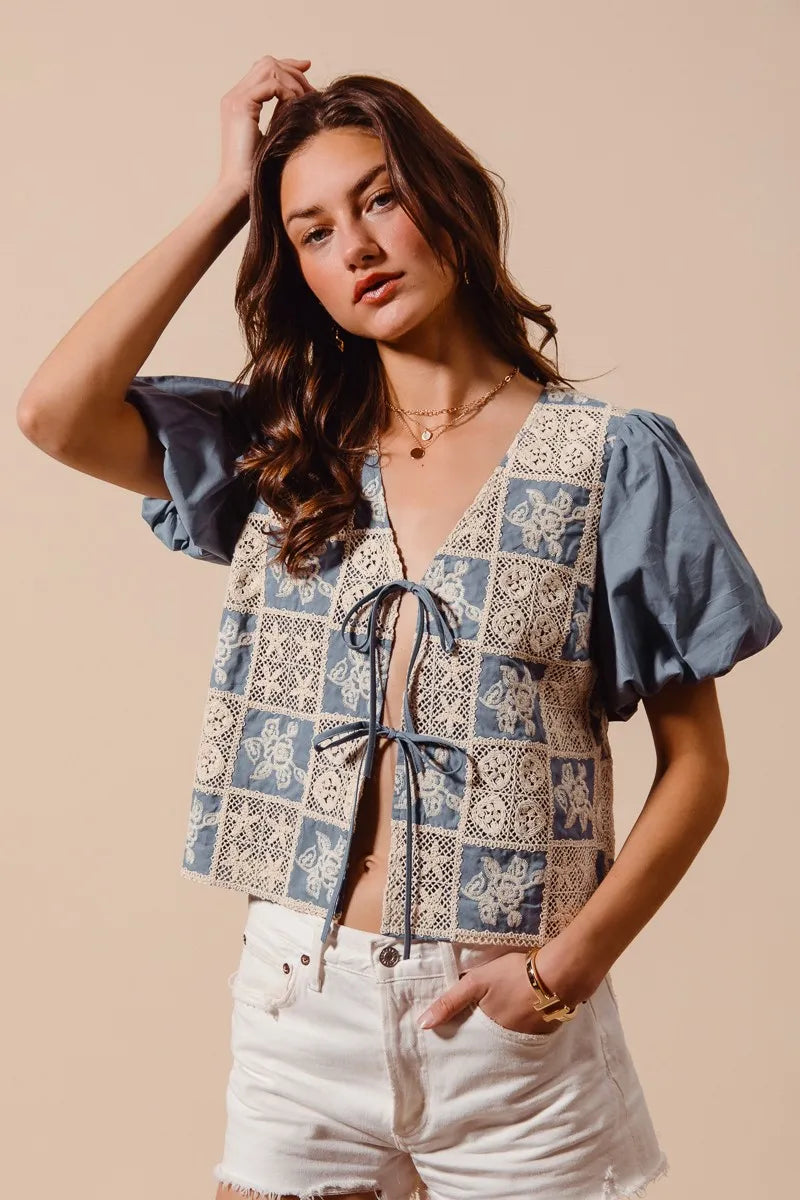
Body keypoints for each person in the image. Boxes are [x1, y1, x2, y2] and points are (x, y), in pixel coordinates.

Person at [17, 57, 783, 1200]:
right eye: (313, 232)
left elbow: (697, 767)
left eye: (379, 199)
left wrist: (562, 973)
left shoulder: (609, 461)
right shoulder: (280, 452)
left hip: (510, 1032)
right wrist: (229, 196)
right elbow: (53, 412)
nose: (357, 248)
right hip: (300, 1004)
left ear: (448, 203)